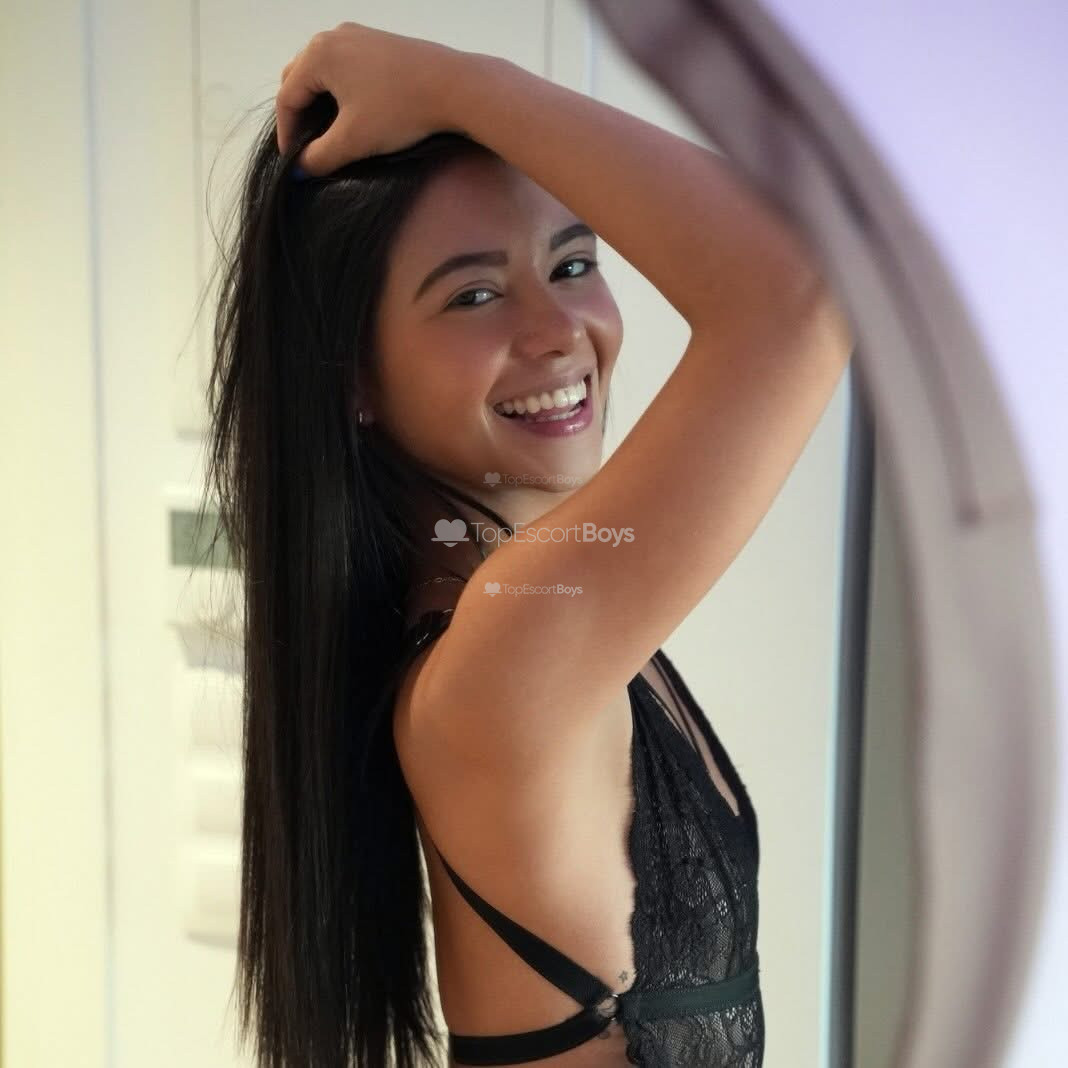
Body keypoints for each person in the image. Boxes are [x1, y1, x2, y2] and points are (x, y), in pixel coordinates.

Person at [203, 21, 853, 1068]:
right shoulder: (511, 640)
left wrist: (462, 95)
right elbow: (806, 290)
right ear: (353, 378)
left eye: (573, 262)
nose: (559, 332)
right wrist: (461, 84)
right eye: (474, 294)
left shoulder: (517, 613)